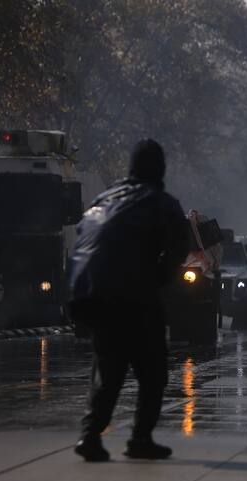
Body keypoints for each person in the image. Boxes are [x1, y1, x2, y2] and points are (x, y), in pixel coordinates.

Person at [69, 139, 189, 462]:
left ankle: (90, 436)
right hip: (131, 295)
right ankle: (140, 439)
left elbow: (83, 235)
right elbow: (181, 246)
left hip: (88, 294)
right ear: (160, 169)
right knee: (153, 370)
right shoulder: (161, 203)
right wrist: (158, 279)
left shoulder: (104, 198)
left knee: (108, 367)